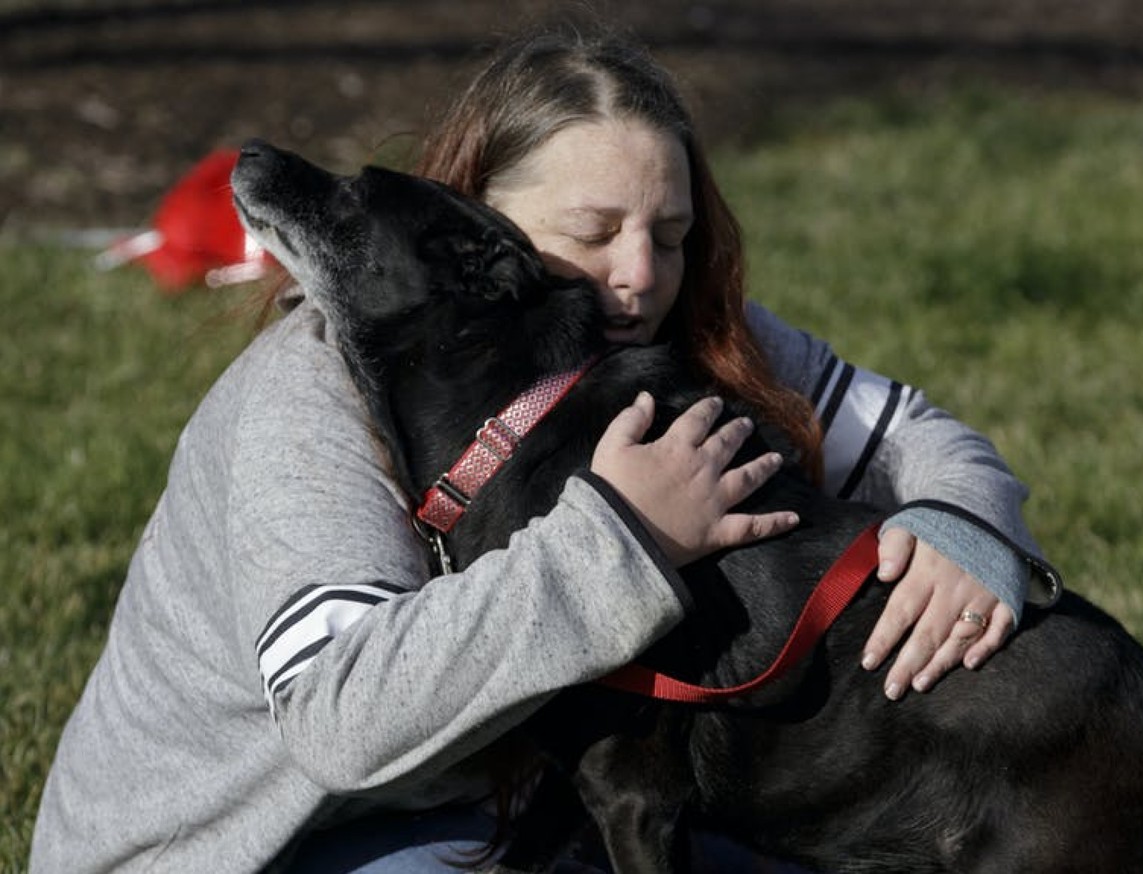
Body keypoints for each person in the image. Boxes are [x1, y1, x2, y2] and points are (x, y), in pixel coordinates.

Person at [30, 24, 1060, 874]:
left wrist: (961, 526)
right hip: (264, 843)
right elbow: (342, 724)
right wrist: (624, 535)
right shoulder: (308, 403)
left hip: (532, 805)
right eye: (593, 227)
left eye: (669, 231)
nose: (635, 275)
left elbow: (916, 438)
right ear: (472, 216)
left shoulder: (643, 332)